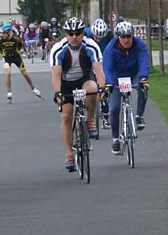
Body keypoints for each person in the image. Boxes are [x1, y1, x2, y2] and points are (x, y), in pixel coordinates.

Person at [51, 18, 105, 171]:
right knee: (66, 116)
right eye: (70, 33)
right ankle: (69, 155)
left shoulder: (91, 46)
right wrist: (57, 93)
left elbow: (99, 69)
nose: (74, 36)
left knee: (92, 88)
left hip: (84, 78)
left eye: (78, 33)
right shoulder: (58, 48)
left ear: (83, 33)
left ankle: (89, 120)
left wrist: (103, 88)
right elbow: (55, 74)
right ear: (66, 34)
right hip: (65, 82)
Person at [103, 21, 150, 155]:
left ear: (132, 36)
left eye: (128, 36)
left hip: (134, 74)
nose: (126, 40)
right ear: (118, 37)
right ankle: (116, 139)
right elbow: (107, 67)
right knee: (114, 108)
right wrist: (110, 83)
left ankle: (139, 116)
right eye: (122, 37)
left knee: (143, 88)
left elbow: (144, 62)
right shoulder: (110, 48)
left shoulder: (139, 45)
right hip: (117, 77)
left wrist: (143, 77)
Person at [0, 22, 42, 103]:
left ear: (8, 32)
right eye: (1, 33)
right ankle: (9, 92)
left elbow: (20, 46)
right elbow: (0, 49)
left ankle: (33, 88)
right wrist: (5, 54)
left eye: (3, 33)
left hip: (16, 57)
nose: (2, 35)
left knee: (25, 74)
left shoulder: (16, 39)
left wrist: (16, 51)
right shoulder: (0, 41)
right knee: (8, 73)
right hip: (7, 58)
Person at [88, 18, 114, 128]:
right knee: (90, 88)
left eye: (100, 38)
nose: (98, 40)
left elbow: (112, 52)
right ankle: (89, 114)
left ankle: (106, 116)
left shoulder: (109, 36)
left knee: (104, 88)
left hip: (103, 61)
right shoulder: (86, 34)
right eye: (96, 37)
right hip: (90, 62)